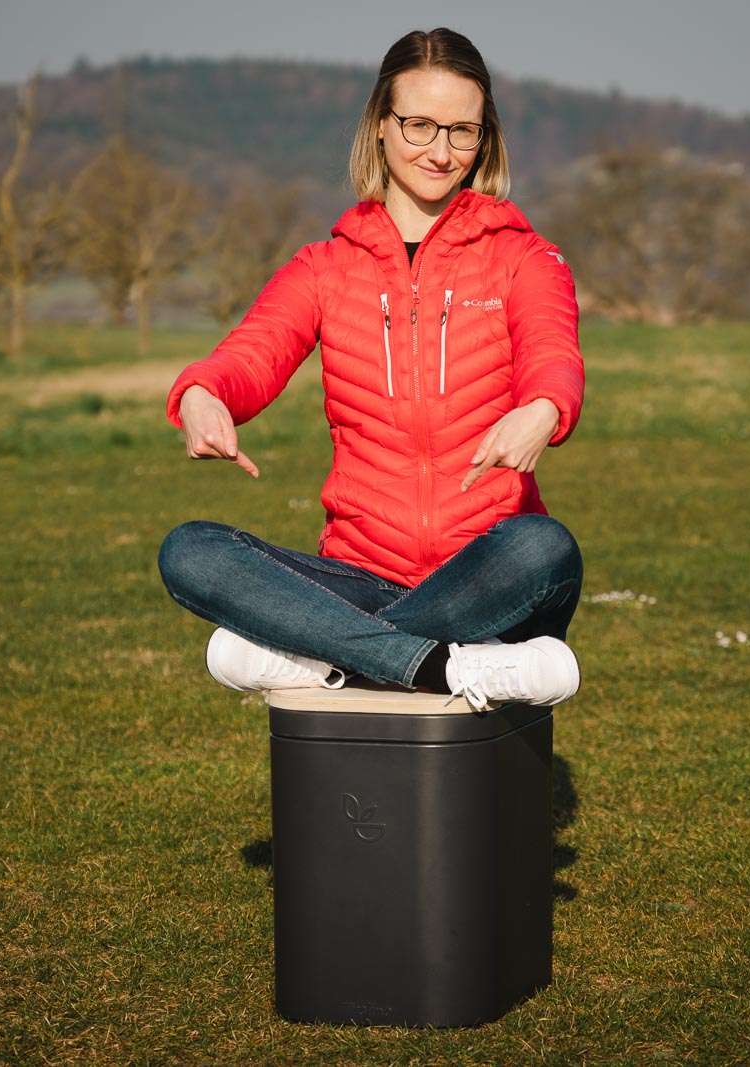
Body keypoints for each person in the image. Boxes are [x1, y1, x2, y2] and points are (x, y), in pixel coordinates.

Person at [157, 26, 585, 713]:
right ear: (380, 127)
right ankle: (442, 668)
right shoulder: (325, 268)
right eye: (419, 126)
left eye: (462, 132)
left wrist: (543, 409)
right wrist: (205, 394)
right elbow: (248, 355)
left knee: (545, 549)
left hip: (485, 580)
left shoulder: (524, 260)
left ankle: (326, 655)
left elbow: (554, 356)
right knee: (191, 551)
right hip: (359, 579)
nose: (440, 152)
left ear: (485, 141)